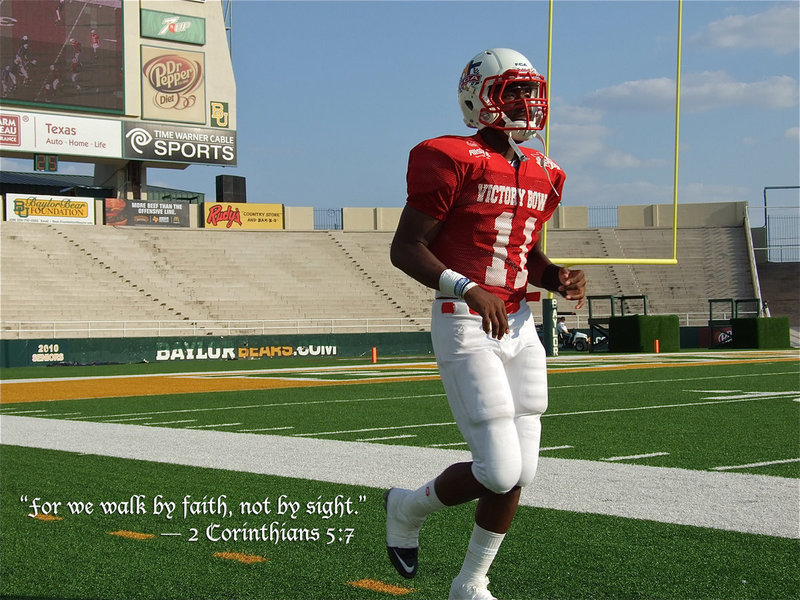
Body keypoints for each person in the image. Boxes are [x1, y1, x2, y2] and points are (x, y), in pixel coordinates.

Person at [385, 48, 586, 600]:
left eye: (529, 91)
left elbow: (529, 259)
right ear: (478, 95)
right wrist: (467, 288)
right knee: (498, 470)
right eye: (511, 90)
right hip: (464, 319)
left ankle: (472, 581)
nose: (524, 102)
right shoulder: (447, 156)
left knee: (522, 473)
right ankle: (405, 506)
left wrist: (558, 277)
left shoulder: (547, 170)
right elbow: (406, 248)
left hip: (520, 324)